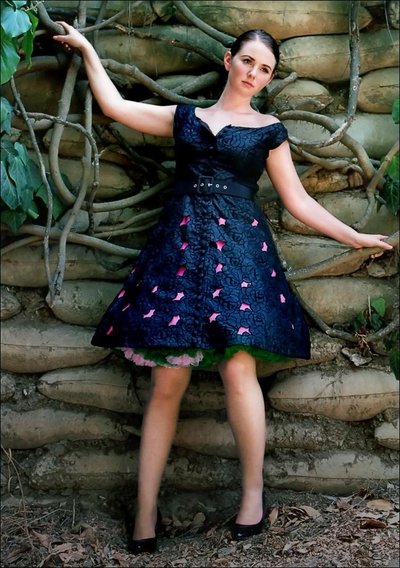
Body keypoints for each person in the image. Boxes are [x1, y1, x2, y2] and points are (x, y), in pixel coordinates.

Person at [53, 24, 393, 554]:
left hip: (238, 253)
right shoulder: (186, 118)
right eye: (249, 61)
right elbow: (117, 107)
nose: (255, 73)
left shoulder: (269, 129)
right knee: (168, 380)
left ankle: (252, 499)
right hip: (180, 252)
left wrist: (355, 236)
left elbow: (298, 201)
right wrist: (88, 50)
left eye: (266, 69)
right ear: (229, 59)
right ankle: (145, 511)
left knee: (239, 367)